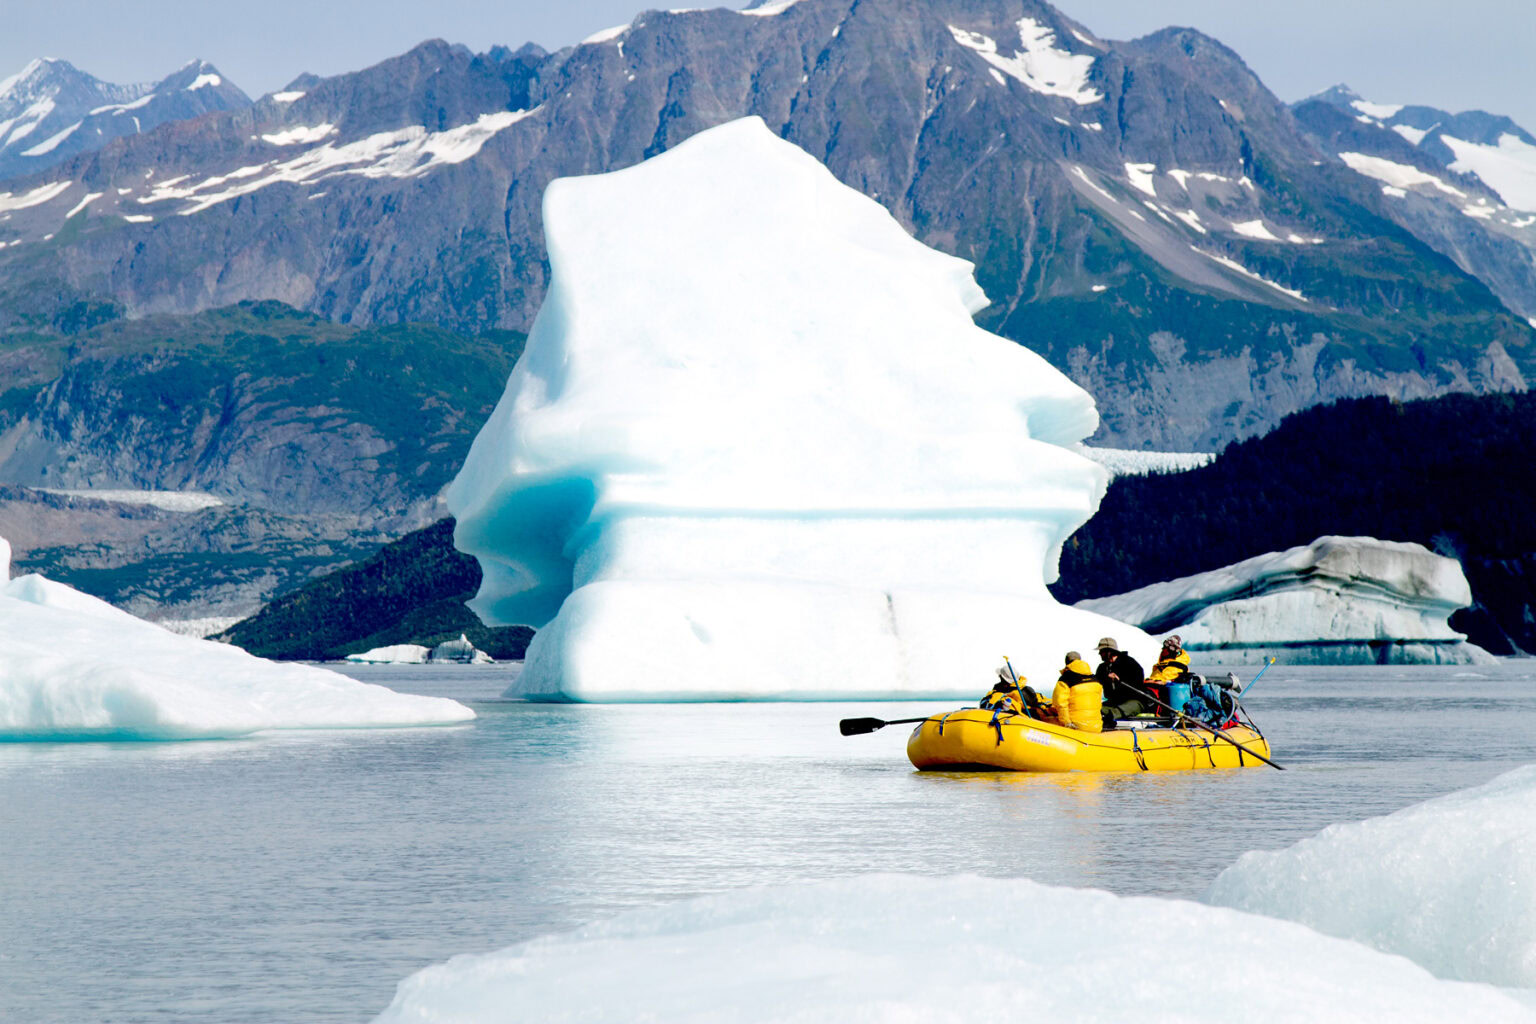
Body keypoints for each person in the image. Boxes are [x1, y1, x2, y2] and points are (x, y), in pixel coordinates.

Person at [1095, 636, 1146, 723]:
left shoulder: (1130, 663)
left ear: (1109, 652)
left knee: (1125, 709)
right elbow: (1096, 682)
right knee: (1096, 709)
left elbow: (1137, 685)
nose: (1099, 653)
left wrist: (1120, 681)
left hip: (1134, 701)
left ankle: (1109, 718)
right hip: (1114, 702)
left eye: (1102, 651)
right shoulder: (1102, 668)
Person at [1051, 651, 1102, 732]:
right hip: (1096, 727)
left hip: (1076, 727)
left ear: (1067, 663)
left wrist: (1067, 723)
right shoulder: (1095, 679)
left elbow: (1060, 704)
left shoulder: (1065, 679)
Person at [1146, 634, 1191, 707]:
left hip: (1159, 695)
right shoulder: (1164, 664)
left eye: (1165, 647)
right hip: (1153, 691)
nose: (1163, 649)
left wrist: (1146, 681)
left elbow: (1162, 682)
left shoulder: (1176, 665)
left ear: (1172, 649)